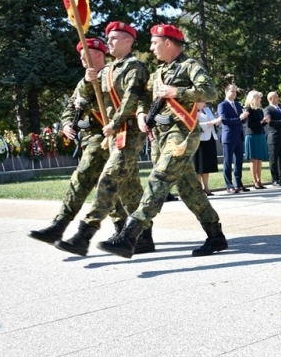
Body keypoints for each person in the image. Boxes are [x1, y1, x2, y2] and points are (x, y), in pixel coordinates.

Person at [97, 23, 226, 259]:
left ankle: (131, 234)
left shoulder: (189, 66)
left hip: (181, 134)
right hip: (160, 136)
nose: (151, 48)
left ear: (168, 43)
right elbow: (146, 99)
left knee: (158, 179)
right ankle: (216, 235)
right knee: (189, 190)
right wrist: (141, 115)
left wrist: (178, 93)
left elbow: (210, 92)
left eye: (155, 43)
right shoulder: (157, 73)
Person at [54, 22, 148, 257]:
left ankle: (83, 236)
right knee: (126, 187)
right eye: (109, 38)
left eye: (115, 38)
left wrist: (113, 124)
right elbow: (78, 102)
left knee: (109, 180)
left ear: (129, 41)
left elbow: (130, 101)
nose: (110, 42)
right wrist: (88, 81)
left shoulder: (134, 66)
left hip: (127, 132)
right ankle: (141, 236)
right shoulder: (107, 71)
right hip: (112, 134)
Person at [29, 38, 128, 245]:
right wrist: (66, 124)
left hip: (110, 137)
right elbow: (71, 108)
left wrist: (93, 82)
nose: (82, 57)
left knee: (94, 181)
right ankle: (121, 229)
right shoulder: (83, 80)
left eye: (86, 53)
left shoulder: (113, 74)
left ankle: (63, 225)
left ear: (99, 55)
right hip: (89, 139)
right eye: (81, 53)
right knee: (99, 183)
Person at [218, 84, 248, 193]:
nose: (234, 93)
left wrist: (244, 117)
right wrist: (239, 118)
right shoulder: (222, 105)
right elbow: (225, 120)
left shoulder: (237, 104)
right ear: (226, 92)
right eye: (232, 91)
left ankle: (238, 183)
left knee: (239, 161)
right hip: (229, 137)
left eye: (235, 92)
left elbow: (242, 120)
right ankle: (229, 185)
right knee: (227, 161)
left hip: (239, 136)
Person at [263, 91, 281, 186]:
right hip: (274, 138)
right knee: (274, 159)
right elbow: (271, 123)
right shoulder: (268, 109)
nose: (278, 98)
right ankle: (275, 179)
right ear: (270, 99)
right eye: (276, 97)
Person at [243, 90, 268, 188]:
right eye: (259, 98)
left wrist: (265, 121)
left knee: (259, 158)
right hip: (252, 135)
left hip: (260, 134)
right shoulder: (248, 108)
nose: (260, 99)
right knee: (254, 159)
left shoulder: (259, 109)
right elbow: (249, 124)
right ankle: (254, 181)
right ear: (253, 98)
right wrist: (261, 122)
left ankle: (259, 180)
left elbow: (260, 123)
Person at [194, 102, 220, 195]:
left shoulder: (207, 109)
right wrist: (211, 122)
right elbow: (197, 125)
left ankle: (206, 187)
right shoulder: (193, 111)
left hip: (210, 138)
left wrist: (217, 122)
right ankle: (198, 188)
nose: (204, 102)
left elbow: (213, 121)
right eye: (202, 101)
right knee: (199, 165)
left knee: (206, 165)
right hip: (200, 140)